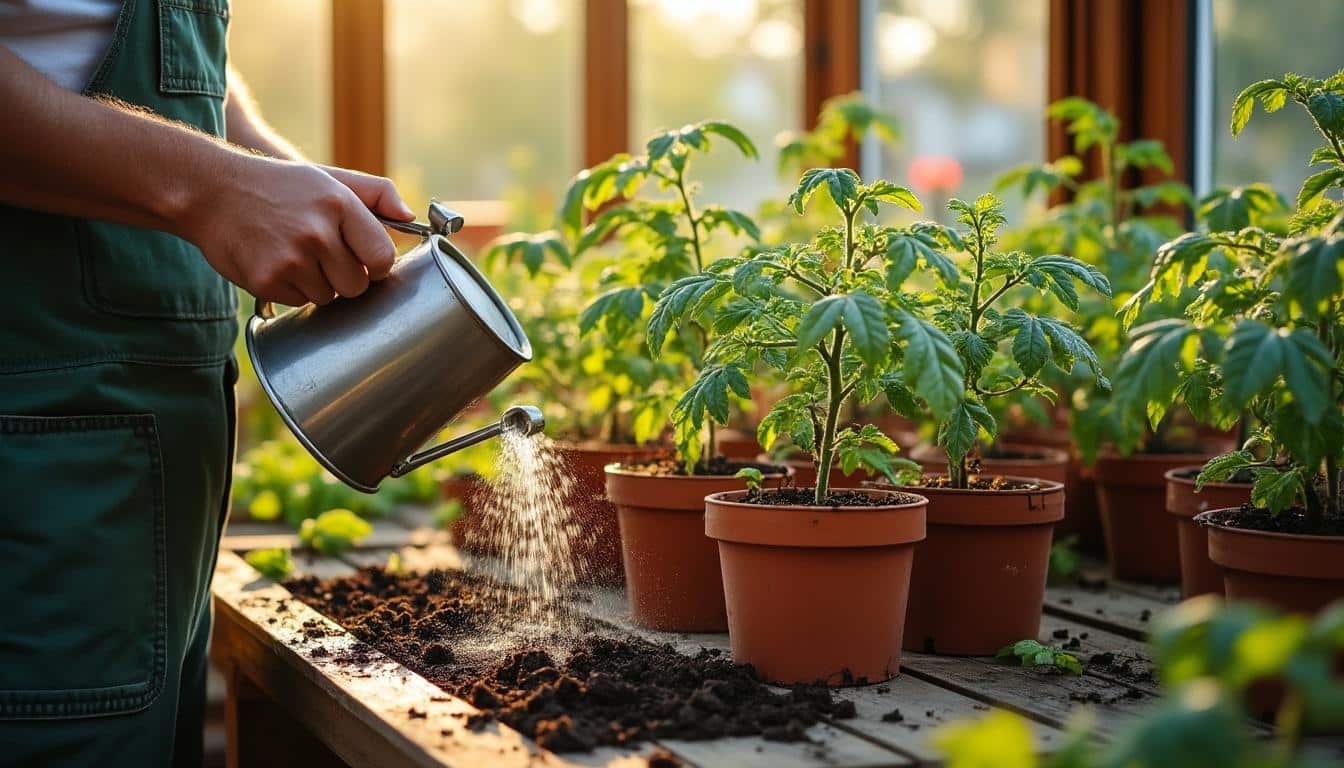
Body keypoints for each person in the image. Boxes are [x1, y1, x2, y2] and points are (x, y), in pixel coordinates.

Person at [0, 2, 415, 765]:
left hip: (149, 473)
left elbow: (177, 60)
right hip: (35, 437)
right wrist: (212, 188)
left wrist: (267, 167)